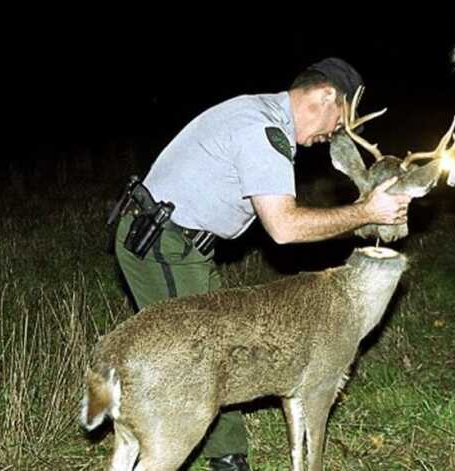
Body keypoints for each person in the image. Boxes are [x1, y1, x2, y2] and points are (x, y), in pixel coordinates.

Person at [109, 57, 412, 471]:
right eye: (339, 122)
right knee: (197, 358)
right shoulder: (264, 132)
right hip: (165, 242)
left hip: (181, 241)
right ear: (326, 95)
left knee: (219, 351)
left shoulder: (258, 111)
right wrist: (365, 213)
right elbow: (284, 228)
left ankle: (221, 454)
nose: (332, 136)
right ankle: (219, 459)